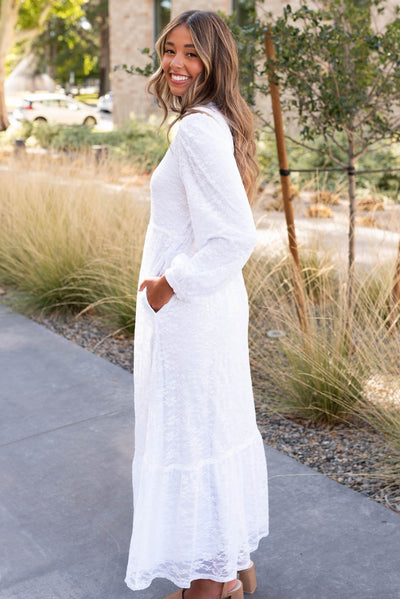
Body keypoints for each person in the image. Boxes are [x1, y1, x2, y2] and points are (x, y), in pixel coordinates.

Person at [125, 10, 269, 599]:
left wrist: (168, 284)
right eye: (171, 50)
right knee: (212, 428)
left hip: (190, 309)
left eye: (192, 53)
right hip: (205, 308)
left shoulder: (195, 130)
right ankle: (233, 571)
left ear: (214, 63)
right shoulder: (210, 122)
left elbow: (234, 235)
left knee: (192, 438)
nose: (176, 64)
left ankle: (207, 586)